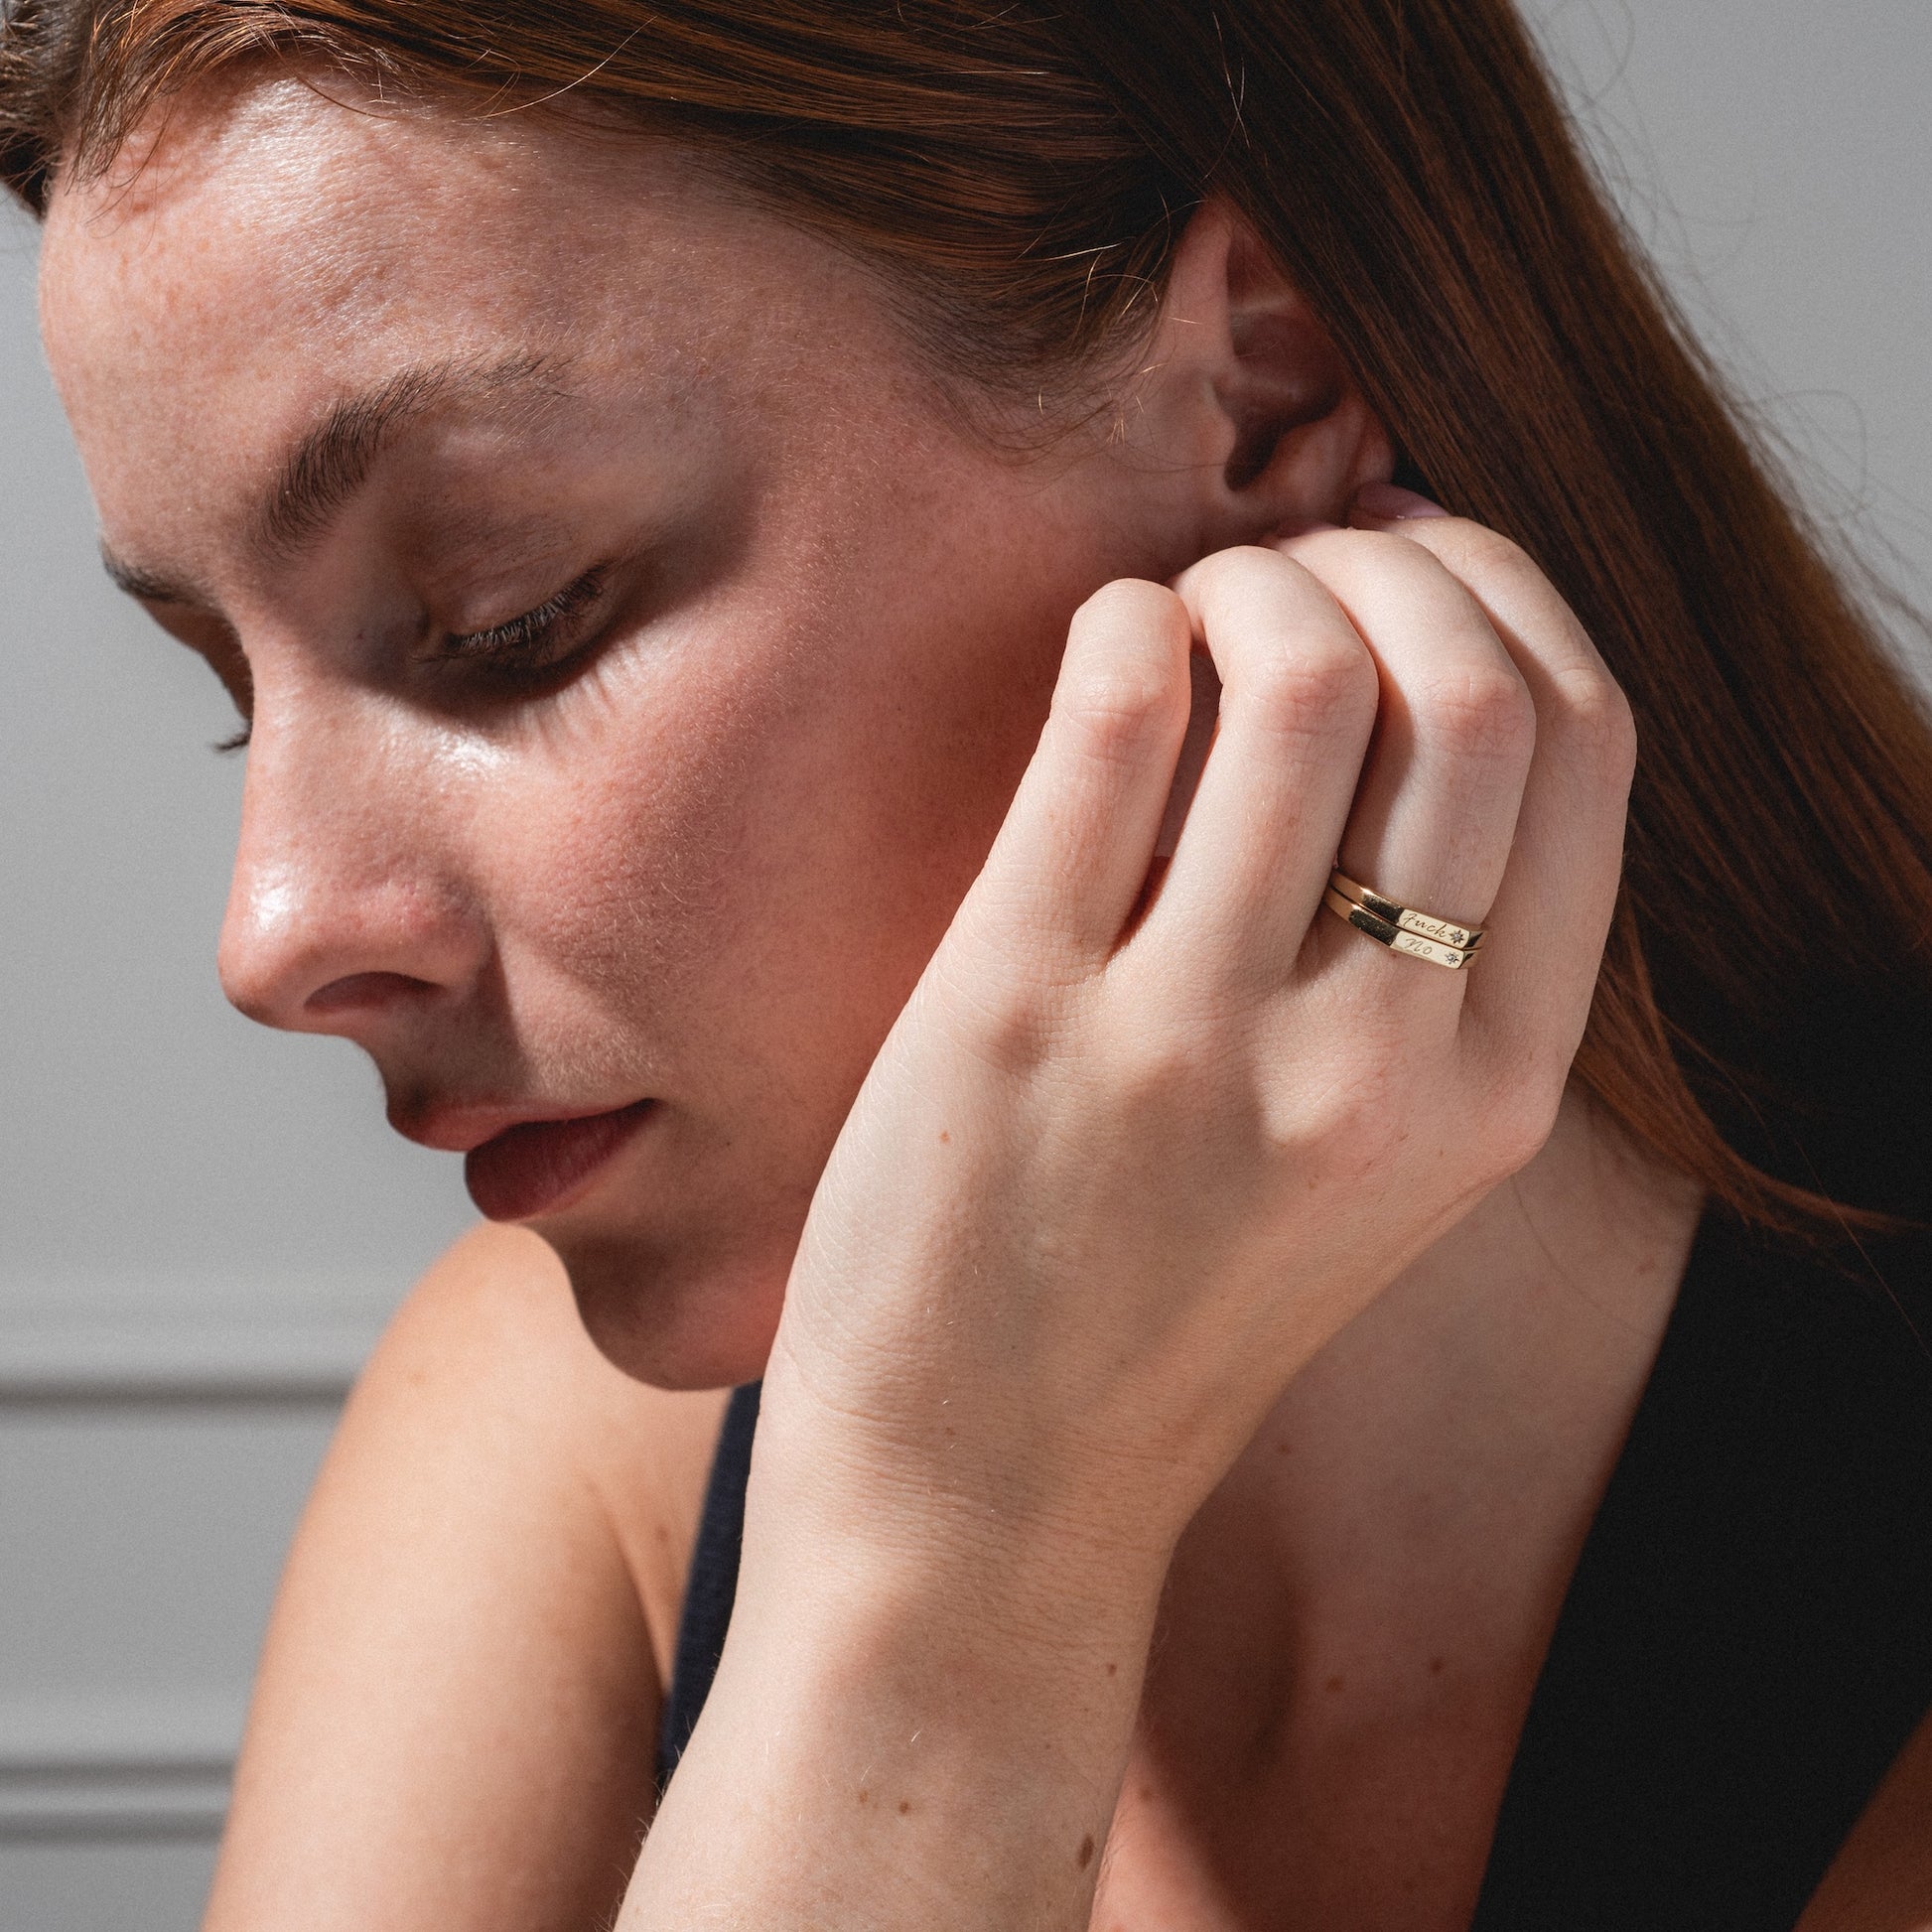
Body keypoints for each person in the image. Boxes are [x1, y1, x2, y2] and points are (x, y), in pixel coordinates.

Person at [7, 0, 1932, 1924]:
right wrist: (949, 1588)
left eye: (513, 612)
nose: (270, 933)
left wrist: (950, 1563)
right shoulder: (554, 1454)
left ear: (1262, 392)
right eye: (224, 693)